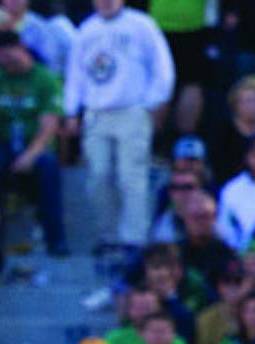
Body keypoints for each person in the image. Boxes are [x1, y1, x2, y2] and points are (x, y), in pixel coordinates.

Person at [63, 0, 174, 254]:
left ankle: (134, 239)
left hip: (131, 110)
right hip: (96, 112)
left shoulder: (142, 25)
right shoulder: (86, 30)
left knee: (131, 176)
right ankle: (108, 235)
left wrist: (153, 101)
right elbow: (75, 74)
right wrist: (71, 111)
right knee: (98, 176)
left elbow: (162, 66)